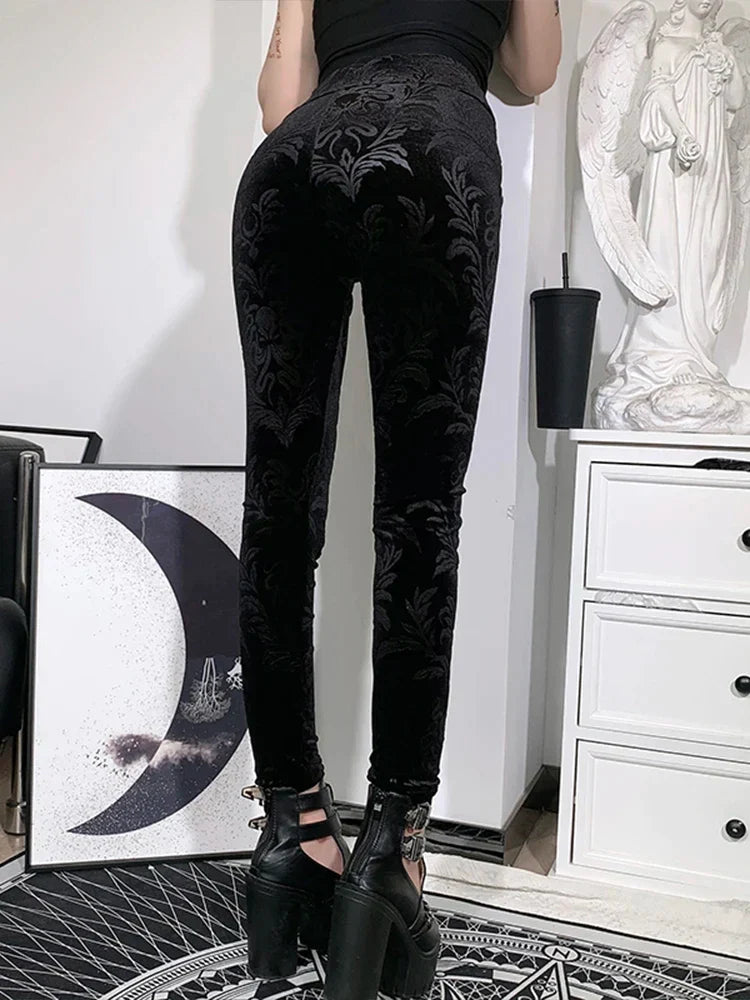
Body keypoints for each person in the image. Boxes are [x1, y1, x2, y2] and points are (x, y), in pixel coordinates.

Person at [231, 2, 561, 997]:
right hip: (436, 147)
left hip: (290, 166)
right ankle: (393, 851)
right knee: (418, 516)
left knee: (278, 511)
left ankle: (293, 827)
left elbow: (279, 103)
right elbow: (535, 71)